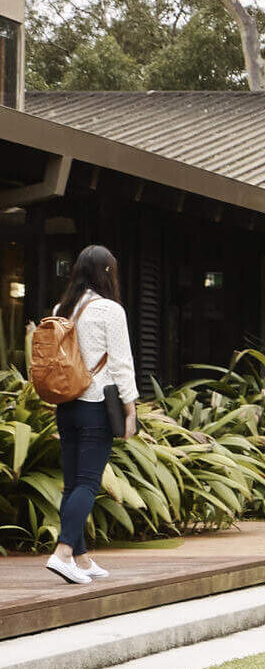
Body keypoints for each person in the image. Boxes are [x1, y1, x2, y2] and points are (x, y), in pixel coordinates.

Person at [46, 245, 138, 587]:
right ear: (107, 272)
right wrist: (131, 408)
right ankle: (64, 553)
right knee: (87, 483)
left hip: (66, 405)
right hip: (95, 404)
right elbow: (121, 363)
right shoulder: (110, 311)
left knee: (72, 484)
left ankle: (81, 559)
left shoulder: (62, 308)